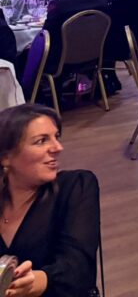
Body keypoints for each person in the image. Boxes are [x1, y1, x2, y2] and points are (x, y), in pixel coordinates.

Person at [0, 105, 100, 296]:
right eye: (41, 141)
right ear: (6, 157)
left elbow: (80, 269)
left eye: (57, 137)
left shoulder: (75, 186)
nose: (58, 148)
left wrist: (36, 282)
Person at [33, 0, 109, 80]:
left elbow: (46, 34)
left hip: (61, 60)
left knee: (27, 53)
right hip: (93, 56)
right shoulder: (101, 1)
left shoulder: (59, 5)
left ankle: (31, 88)